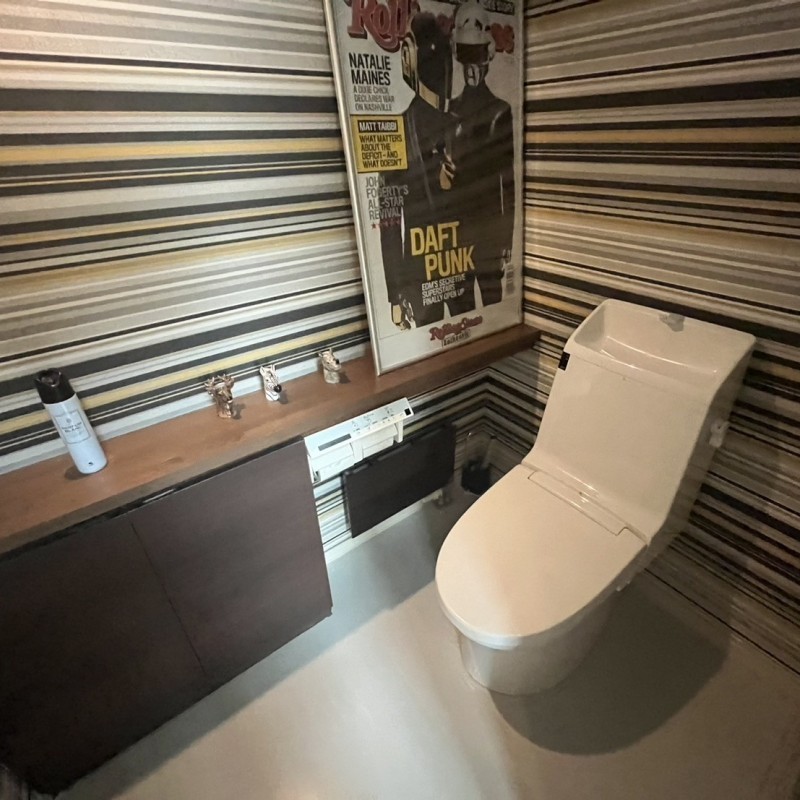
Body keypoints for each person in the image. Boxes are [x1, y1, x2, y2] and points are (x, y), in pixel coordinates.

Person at [379, 11, 457, 329]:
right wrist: (395, 294)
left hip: (464, 264)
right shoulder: (397, 133)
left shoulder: (460, 125)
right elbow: (389, 221)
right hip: (419, 274)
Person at [448, 0, 515, 312]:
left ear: (487, 57)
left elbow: (507, 182)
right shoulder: (451, 111)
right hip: (457, 233)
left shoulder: (500, 112)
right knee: (459, 312)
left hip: (488, 232)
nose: (471, 68)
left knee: (493, 313)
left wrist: (506, 239)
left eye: (476, 56)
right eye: (466, 56)